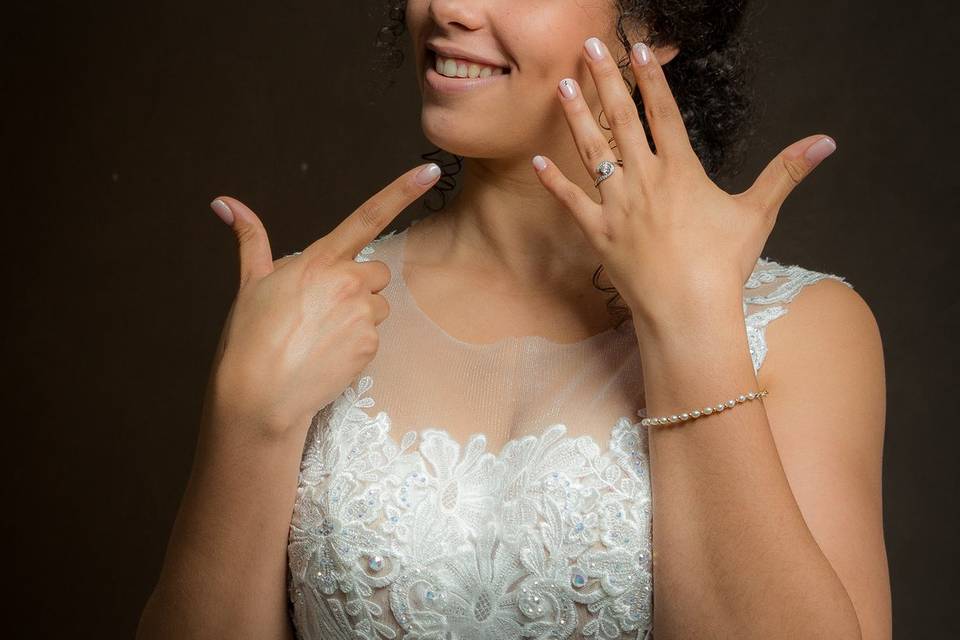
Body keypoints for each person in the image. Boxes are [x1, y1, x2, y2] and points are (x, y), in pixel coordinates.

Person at [137, 0, 892, 638]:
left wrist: (691, 327)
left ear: (654, 26)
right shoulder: (309, 307)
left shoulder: (801, 326)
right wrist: (247, 424)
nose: (449, 8)